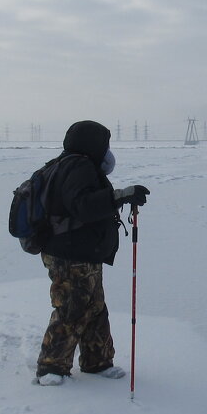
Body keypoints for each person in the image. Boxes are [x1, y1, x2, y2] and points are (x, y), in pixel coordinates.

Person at [35, 120, 150, 386]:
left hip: (81, 251)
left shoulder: (68, 164)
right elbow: (83, 206)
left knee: (94, 306)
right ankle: (51, 367)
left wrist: (120, 198)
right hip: (69, 252)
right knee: (72, 307)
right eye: (104, 144)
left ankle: (97, 362)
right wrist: (120, 196)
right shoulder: (78, 166)